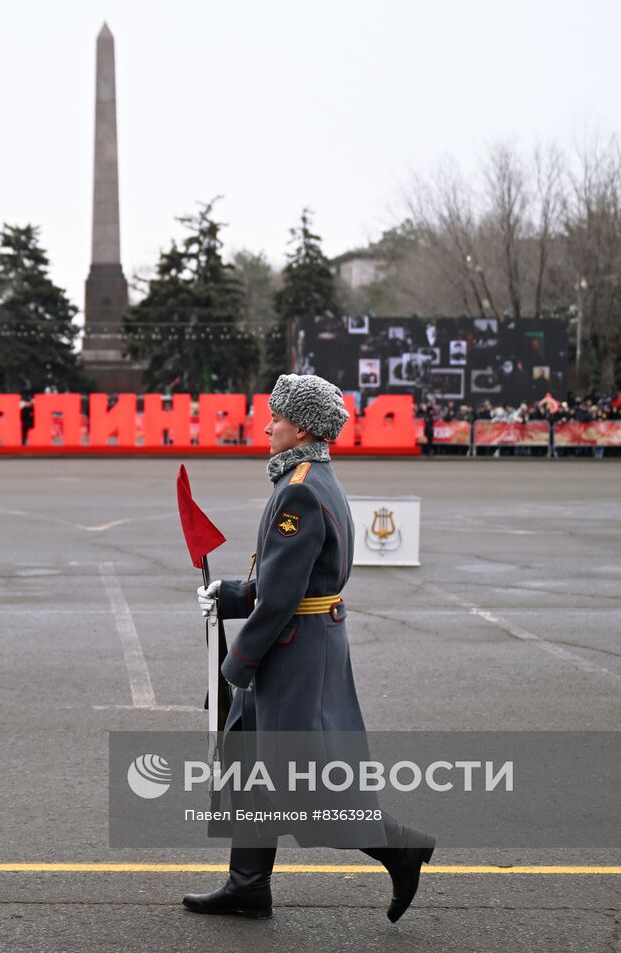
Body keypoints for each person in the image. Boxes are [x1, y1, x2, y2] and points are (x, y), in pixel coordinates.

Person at [185, 373, 435, 923]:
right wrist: (228, 594)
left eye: (276, 415)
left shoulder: (299, 487)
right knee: (250, 759)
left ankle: (402, 846)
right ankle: (247, 885)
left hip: (294, 649)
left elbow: (279, 599)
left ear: (300, 426)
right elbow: (290, 580)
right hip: (300, 638)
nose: (267, 423)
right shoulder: (310, 475)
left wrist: (236, 664)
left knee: (308, 785)